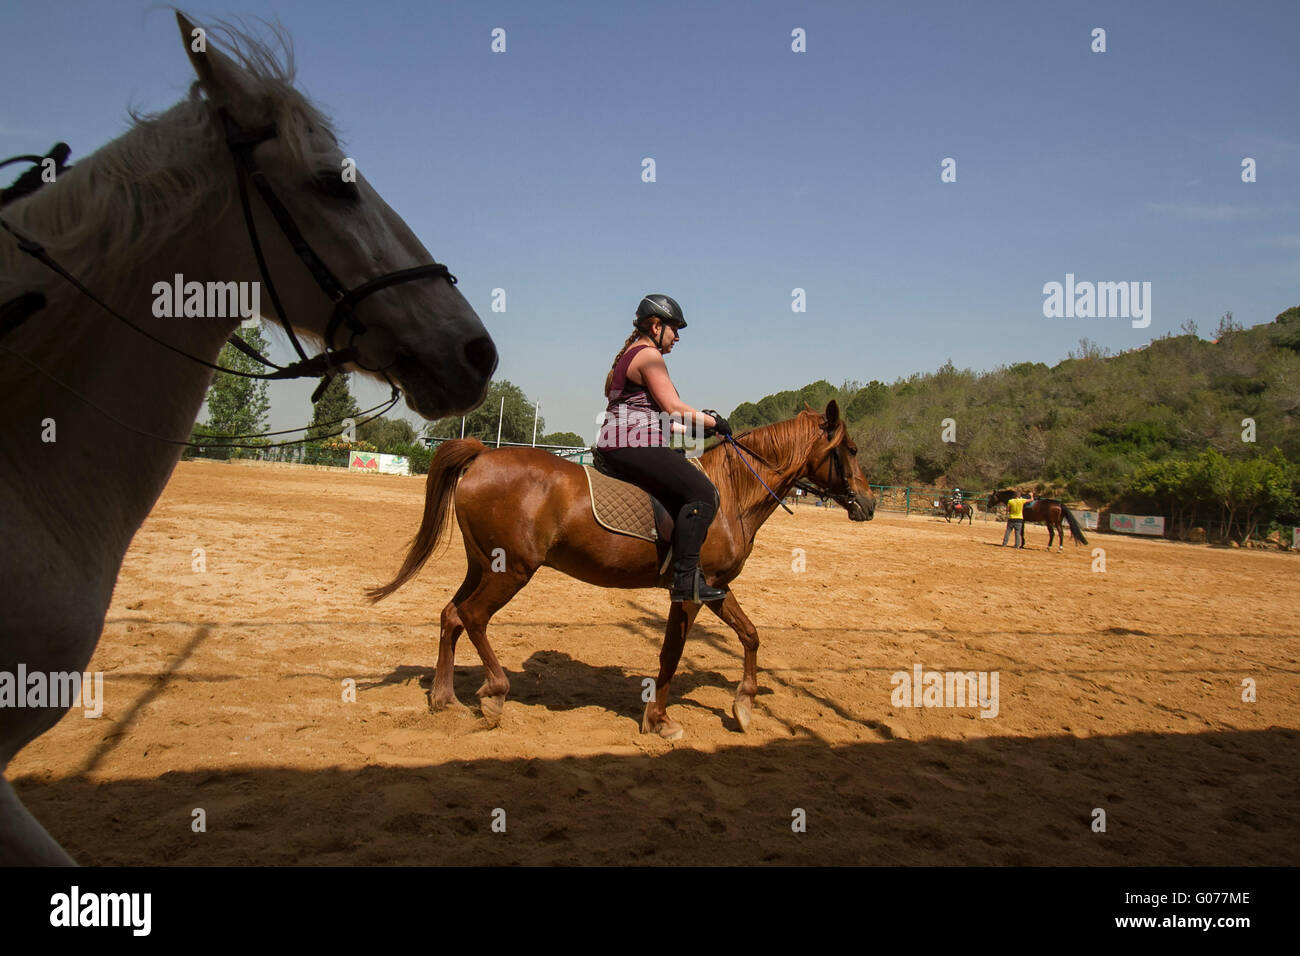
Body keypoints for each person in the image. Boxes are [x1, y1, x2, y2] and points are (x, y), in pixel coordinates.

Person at [595, 294, 732, 603]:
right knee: (703, 493)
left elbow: (668, 422)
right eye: (675, 328)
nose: (678, 336)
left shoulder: (629, 355)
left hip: (620, 441)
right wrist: (713, 420)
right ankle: (685, 581)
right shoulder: (649, 356)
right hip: (632, 442)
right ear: (655, 326)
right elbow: (673, 406)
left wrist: (705, 432)